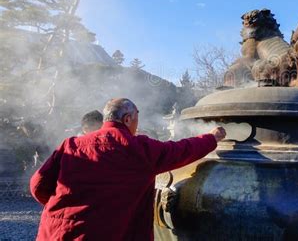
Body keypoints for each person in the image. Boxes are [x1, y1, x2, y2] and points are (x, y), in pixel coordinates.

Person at [30, 98, 226, 240]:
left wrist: (61, 207)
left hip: (57, 232)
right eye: (136, 119)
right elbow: (180, 150)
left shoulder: (71, 144)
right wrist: (211, 138)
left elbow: (37, 184)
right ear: (127, 119)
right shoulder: (138, 148)